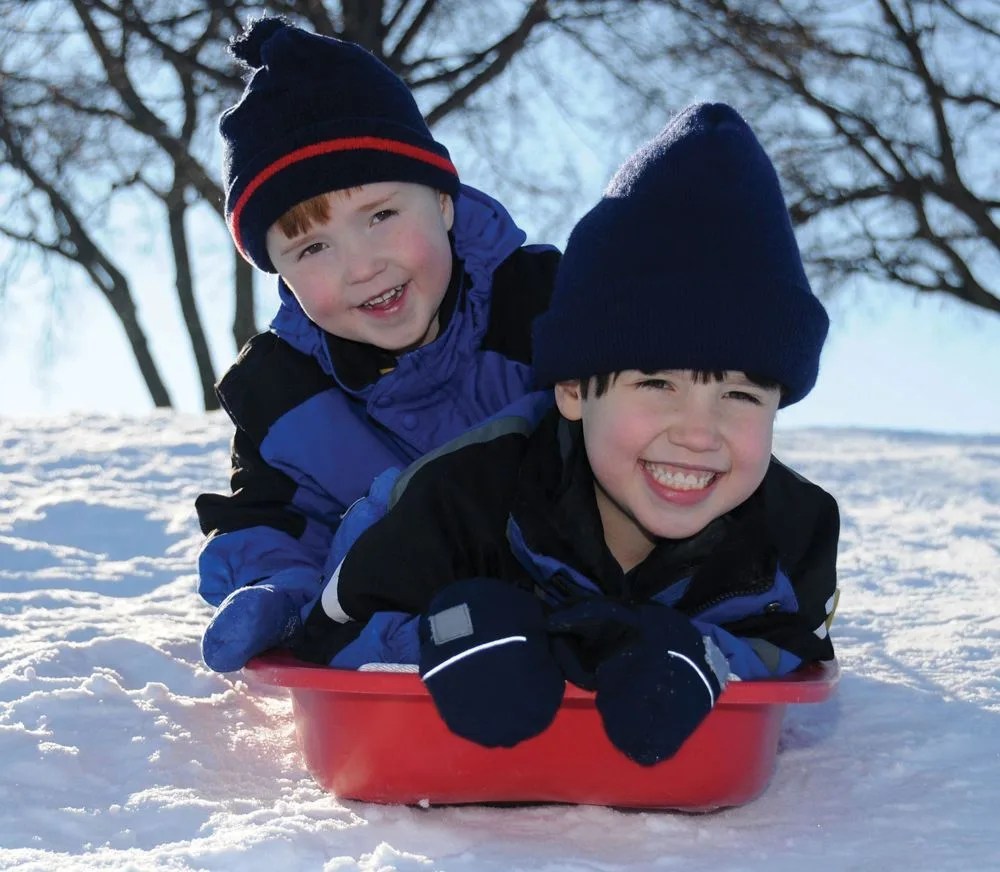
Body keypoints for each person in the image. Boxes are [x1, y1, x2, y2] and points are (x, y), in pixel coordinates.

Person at [293, 102, 840, 767]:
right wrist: (445, 634)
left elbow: (796, 648)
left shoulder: (793, 531)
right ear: (574, 390)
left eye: (741, 395)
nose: (700, 434)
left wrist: (707, 657)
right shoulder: (465, 495)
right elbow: (326, 633)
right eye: (659, 385)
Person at [195, 17, 559, 673]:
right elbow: (273, 523)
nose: (360, 267)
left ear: (443, 204)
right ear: (280, 271)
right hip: (399, 657)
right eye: (312, 246)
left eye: (381, 216)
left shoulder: (544, 306)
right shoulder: (282, 394)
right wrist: (279, 593)